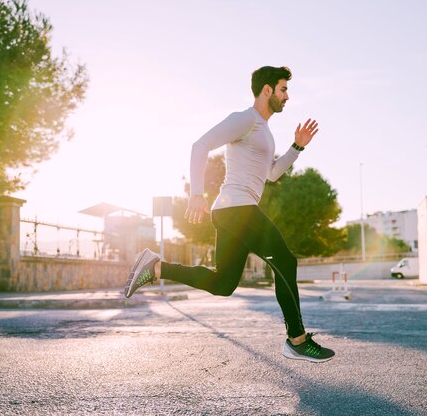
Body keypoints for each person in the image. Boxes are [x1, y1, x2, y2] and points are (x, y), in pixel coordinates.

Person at [124, 66, 334, 363]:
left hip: (233, 211)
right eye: (283, 89)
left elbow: (271, 174)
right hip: (237, 209)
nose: (287, 96)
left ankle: (156, 267)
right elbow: (200, 145)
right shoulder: (246, 119)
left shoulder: (265, 132)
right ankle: (297, 340)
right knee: (285, 261)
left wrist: (297, 147)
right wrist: (197, 194)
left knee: (223, 284)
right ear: (266, 90)